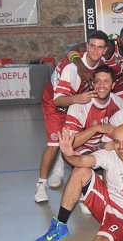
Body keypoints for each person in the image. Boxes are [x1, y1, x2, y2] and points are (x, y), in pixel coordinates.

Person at [34, 31, 109, 203]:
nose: (95, 51)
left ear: (105, 50)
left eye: (100, 48)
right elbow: (58, 99)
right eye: (92, 46)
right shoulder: (71, 67)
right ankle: (40, 185)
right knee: (53, 144)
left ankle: (67, 173)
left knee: (74, 140)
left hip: (75, 102)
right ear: (87, 46)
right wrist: (78, 99)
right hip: (55, 103)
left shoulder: (101, 66)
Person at [65, 65, 123, 154]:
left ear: (113, 85)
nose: (101, 85)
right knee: (84, 166)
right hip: (84, 147)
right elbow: (70, 143)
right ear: (92, 84)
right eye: (97, 81)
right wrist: (96, 128)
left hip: (108, 146)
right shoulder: (79, 105)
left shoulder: (120, 103)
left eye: (106, 81)